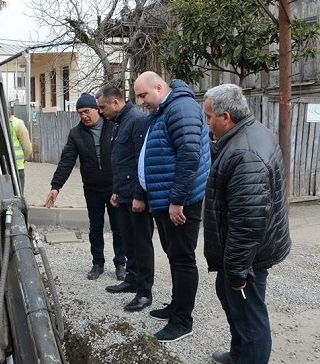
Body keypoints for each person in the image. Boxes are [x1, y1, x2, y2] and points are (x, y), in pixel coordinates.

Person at [202, 84, 291, 364]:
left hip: (250, 252)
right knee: (228, 294)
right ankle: (239, 352)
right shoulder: (245, 135)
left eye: (209, 117)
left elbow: (247, 221)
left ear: (225, 117)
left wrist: (238, 269)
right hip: (243, 248)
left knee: (249, 309)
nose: (207, 123)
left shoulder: (245, 153)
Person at [134, 71, 211, 342]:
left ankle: (183, 320)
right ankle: (176, 306)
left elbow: (190, 155)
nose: (141, 101)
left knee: (183, 259)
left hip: (180, 203)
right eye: (138, 97)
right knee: (174, 256)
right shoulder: (164, 110)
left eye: (143, 95)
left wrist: (177, 200)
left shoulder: (182, 108)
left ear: (158, 87)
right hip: (166, 200)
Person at [44, 92, 125, 281]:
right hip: (92, 189)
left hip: (115, 188)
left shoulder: (113, 126)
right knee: (95, 228)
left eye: (86, 111)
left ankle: (121, 263)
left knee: (119, 227)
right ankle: (98, 263)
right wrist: (56, 187)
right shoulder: (76, 134)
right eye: (80, 113)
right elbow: (66, 161)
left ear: (97, 109)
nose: (83, 116)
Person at [96, 84, 155, 312]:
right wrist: (116, 191)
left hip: (136, 196)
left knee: (141, 243)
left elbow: (143, 160)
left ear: (115, 102)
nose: (100, 112)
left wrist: (140, 195)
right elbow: (122, 161)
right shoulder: (120, 122)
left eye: (102, 107)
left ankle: (144, 291)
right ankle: (131, 279)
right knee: (128, 241)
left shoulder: (137, 120)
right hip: (124, 194)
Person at [9, 106, 33, 194]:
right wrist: (24, 158)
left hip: (14, 166)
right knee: (18, 195)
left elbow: (27, 147)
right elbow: (27, 147)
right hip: (18, 166)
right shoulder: (18, 124)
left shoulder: (17, 124)